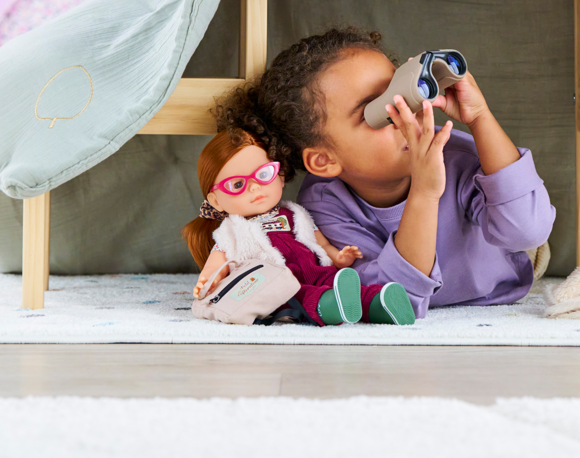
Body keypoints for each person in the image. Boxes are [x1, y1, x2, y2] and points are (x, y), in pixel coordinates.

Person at [214, 26, 555, 319]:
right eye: (375, 112)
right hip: (440, 277)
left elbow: (529, 231)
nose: (404, 114)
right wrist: (424, 191)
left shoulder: (452, 153)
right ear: (325, 161)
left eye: (400, 91)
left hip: (504, 263)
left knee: (522, 218)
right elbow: (397, 296)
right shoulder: (326, 206)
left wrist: (479, 115)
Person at [182, 128, 416, 326]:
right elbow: (218, 263)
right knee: (304, 295)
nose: (255, 188)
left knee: (333, 280)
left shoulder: (294, 212)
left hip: (314, 269)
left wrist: (338, 257)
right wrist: (207, 281)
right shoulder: (231, 231)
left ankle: (379, 304)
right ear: (215, 201)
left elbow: (319, 243)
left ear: (280, 176)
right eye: (237, 184)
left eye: (263, 175)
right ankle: (331, 307)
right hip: (278, 284)